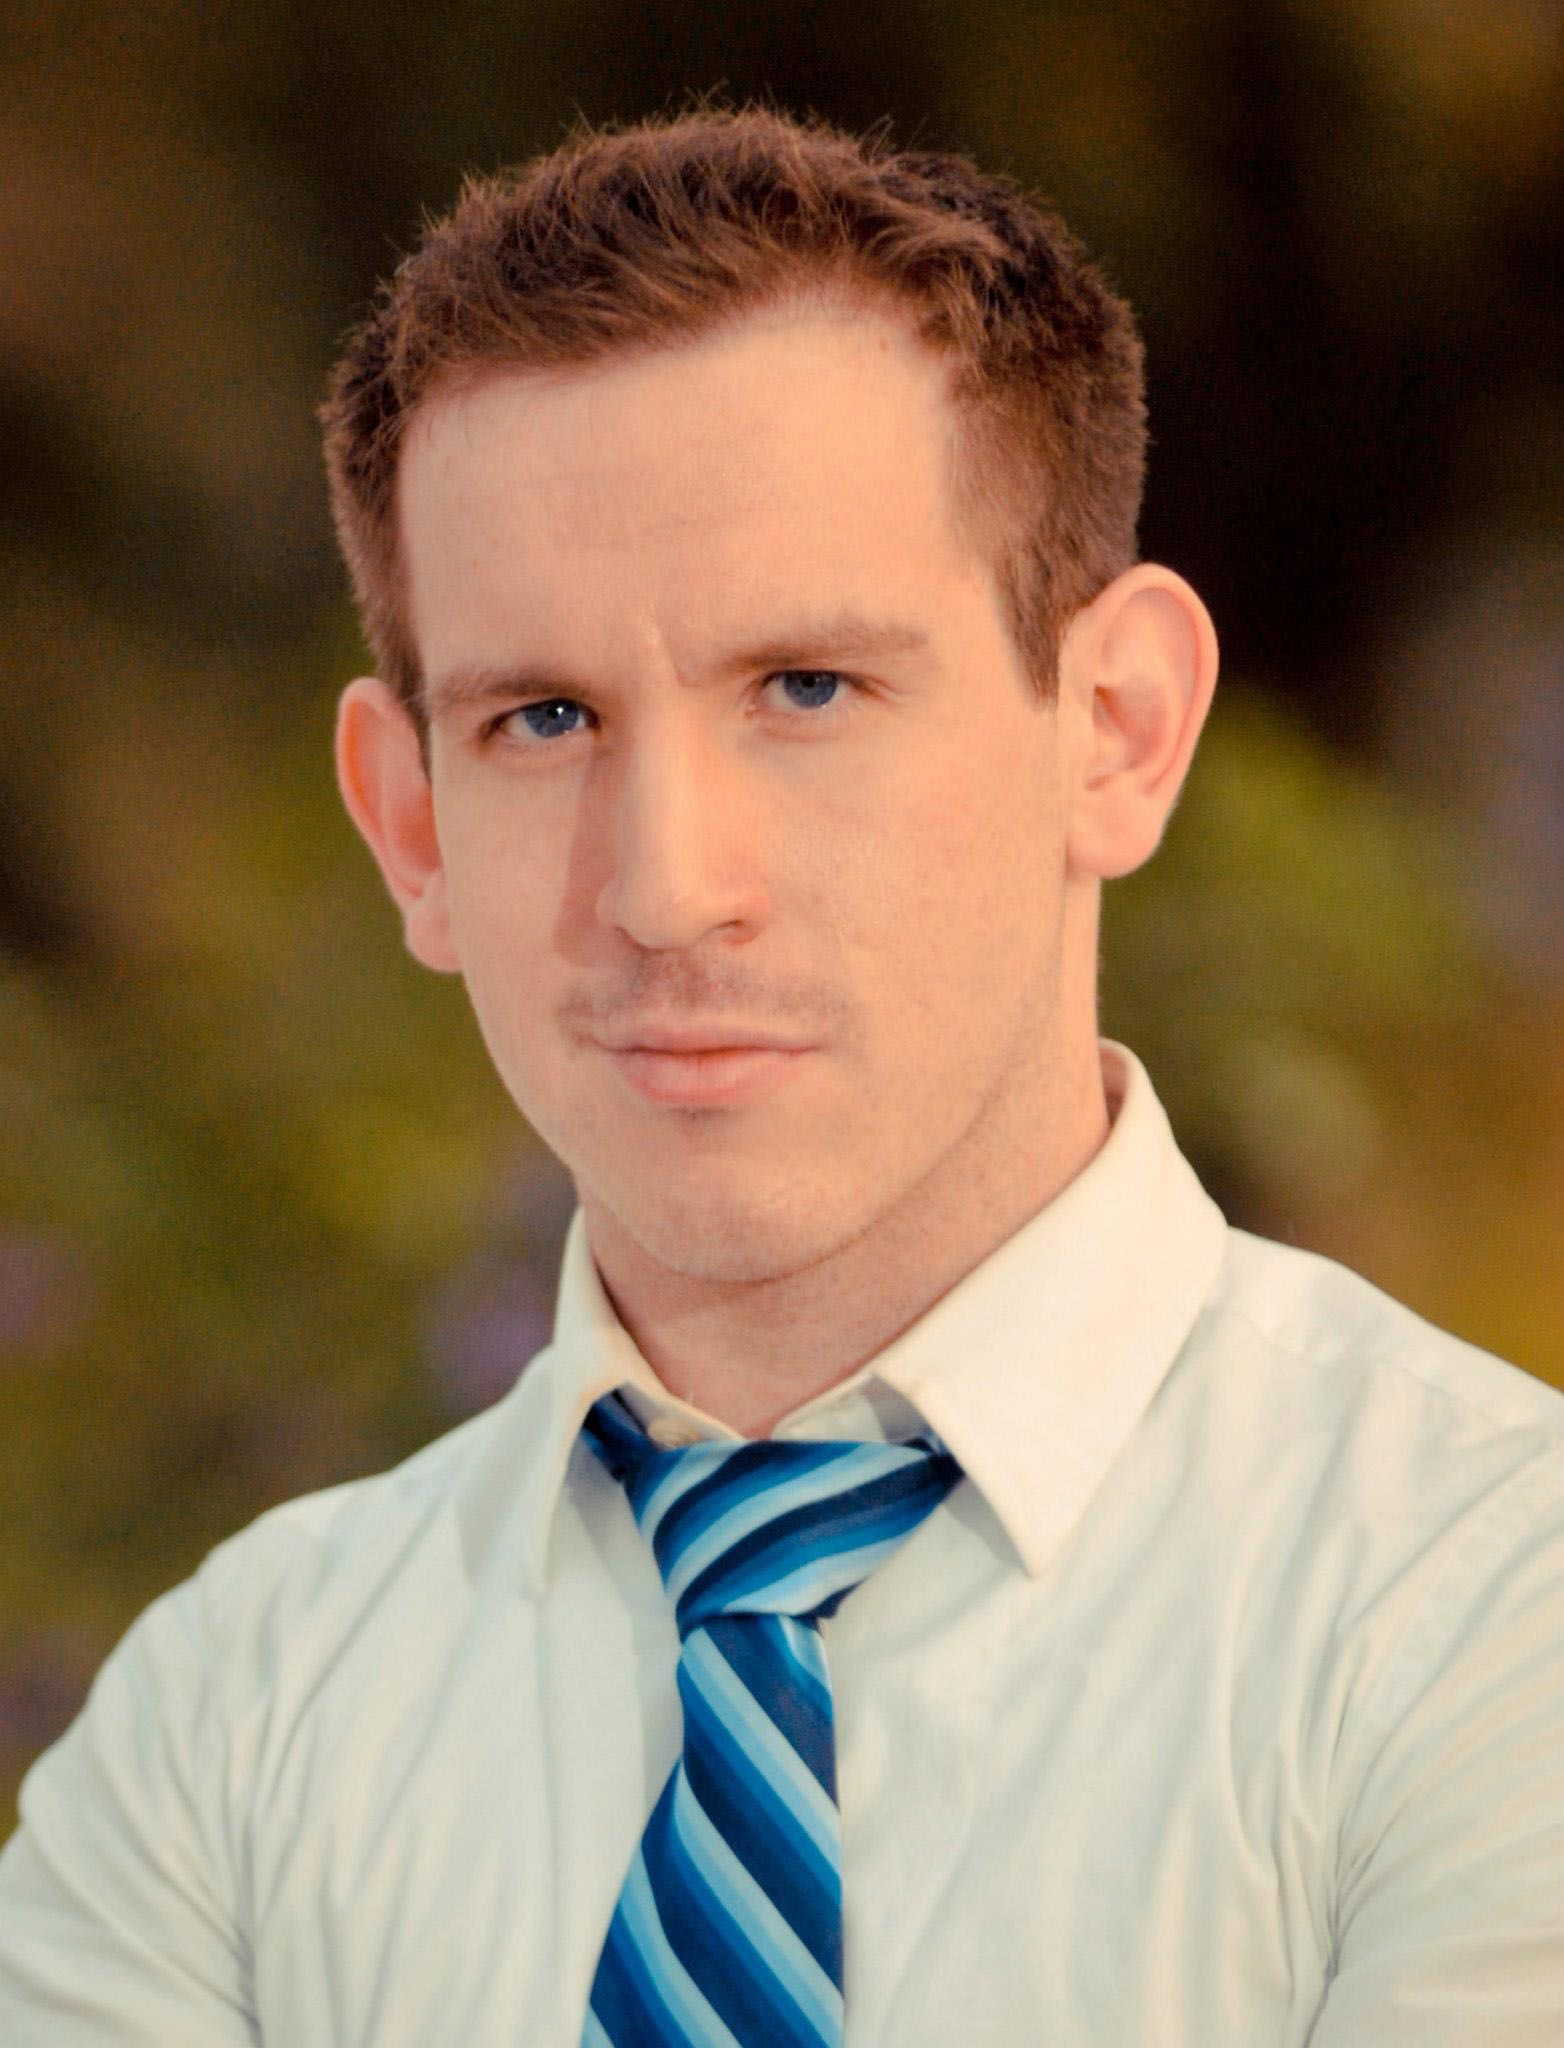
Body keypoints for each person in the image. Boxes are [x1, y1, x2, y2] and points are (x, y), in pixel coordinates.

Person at [0, 101, 1560, 2048]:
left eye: (806, 688)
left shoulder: (1494, 1615)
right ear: (407, 824)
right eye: (541, 718)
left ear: (1116, 726)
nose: (665, 885)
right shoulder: (221, 1738)